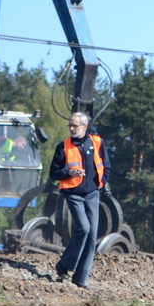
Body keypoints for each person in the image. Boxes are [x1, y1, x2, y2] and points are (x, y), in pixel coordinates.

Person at [49, 112, 110, 288]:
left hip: (92, 194)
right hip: (73, 193)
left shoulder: (97, 142)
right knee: (83, 227)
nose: (72, 128)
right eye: (70, 126)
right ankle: (64, 265)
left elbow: (106, 166)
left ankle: (80, 279)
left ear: (84, 127)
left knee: (92, 236)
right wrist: (69, 172)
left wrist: (102, 181)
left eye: (75, 126)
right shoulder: (63, 147)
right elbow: (53, 173)